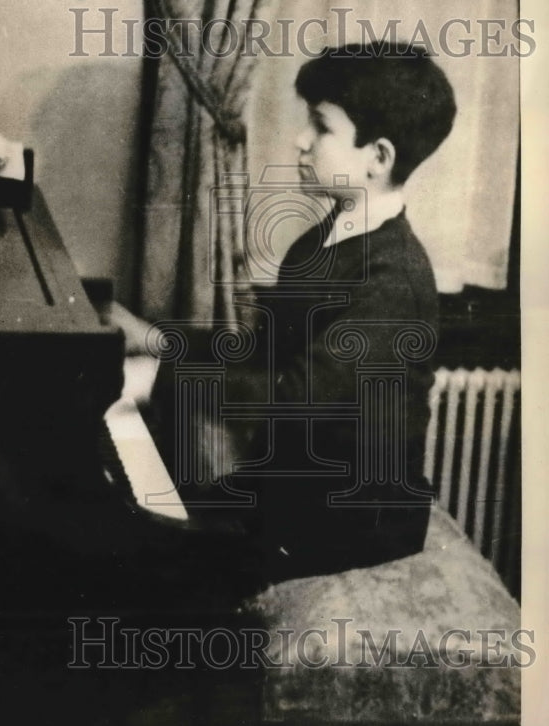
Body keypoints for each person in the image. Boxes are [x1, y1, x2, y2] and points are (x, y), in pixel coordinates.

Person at [145, 41, 457, 591]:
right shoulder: (317, 243)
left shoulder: (394, 282)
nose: (300, 140)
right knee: (148, 539)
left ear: (377, 157)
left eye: (321, 126)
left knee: (157, 573)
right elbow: (260, 354)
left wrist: (158, 379)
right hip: (293, 490)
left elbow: (291, 395)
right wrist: (157, 344)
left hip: (353, 524)